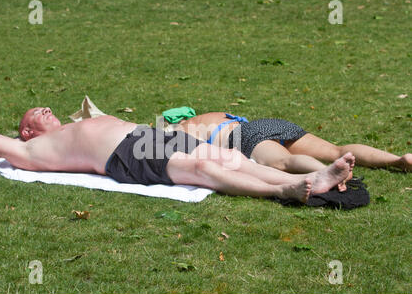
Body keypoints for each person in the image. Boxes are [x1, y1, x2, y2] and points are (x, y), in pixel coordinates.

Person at [0, 107, 356, 204]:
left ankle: (312, 180)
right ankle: (285, 191)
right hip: (125, 155)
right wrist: (14, 142)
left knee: (236, 161)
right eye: (34, 114)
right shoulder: (29, 149)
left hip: (149, 136)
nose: (43, 109)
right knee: (205, 169)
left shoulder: (72, 124)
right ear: (25, 131)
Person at [171, 112, 412, 174]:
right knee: (336, 150)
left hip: (244, 137)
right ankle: (397, 160)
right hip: (268, 124)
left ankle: (327, 172)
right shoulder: (214, 115)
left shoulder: (182, 130)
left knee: (283, 162)